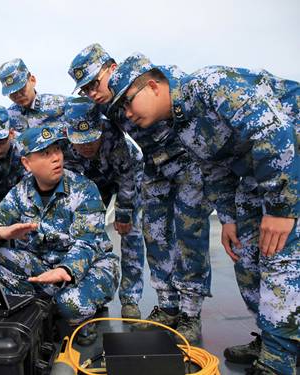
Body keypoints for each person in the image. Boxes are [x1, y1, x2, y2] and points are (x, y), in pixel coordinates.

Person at [107, 52, 299, 375]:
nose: (127, 114)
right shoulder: (181, 124)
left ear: (153, 86)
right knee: (248, 254)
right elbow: (214, 168)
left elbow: (272, 131)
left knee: (280, 256)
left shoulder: (211, 86)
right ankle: (274, 338)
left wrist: (280, 208)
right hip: (258, 172)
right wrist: (228, 218)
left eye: (128, 102)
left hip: (289, 160)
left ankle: (279, 359)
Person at [68, 43, 213, 344]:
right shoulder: (105, 106)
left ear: (111, 67)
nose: (92, 93)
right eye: (85, 89)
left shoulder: (159, 82)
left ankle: (190, 313)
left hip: (188, 166)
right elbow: (64, 112)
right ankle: (168, 305)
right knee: (155, 236)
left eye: (95, 83)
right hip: (155, 171)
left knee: (189, 236)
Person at [0, 126, 119, 345]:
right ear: (27, 164)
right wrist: (3, 231)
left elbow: (88, 243)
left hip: (90, 266)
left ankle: (80, 315)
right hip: (45, 265)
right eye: (45, 153)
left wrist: (64, 270)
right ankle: (46, 308)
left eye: (57, 150)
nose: (56, 158)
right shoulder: (20, 192)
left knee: (70, 303)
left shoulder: (84, 189)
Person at [63, 96, 145, 320]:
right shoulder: (60, 141)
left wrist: (124, 213)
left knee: (131, 233)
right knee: (87, 232)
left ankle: (130, 299)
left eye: (91, 139)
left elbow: (127, 177)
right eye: (80, 141)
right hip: (92, 183)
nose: (87, 146)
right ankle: (92, 292)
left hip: (125, 176)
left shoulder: (112, 133)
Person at [0, 58, 69, 133]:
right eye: (12, 92)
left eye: (22, 88)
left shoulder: (61, 104)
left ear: (32, 80)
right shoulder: (7, 118)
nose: (18, 95)